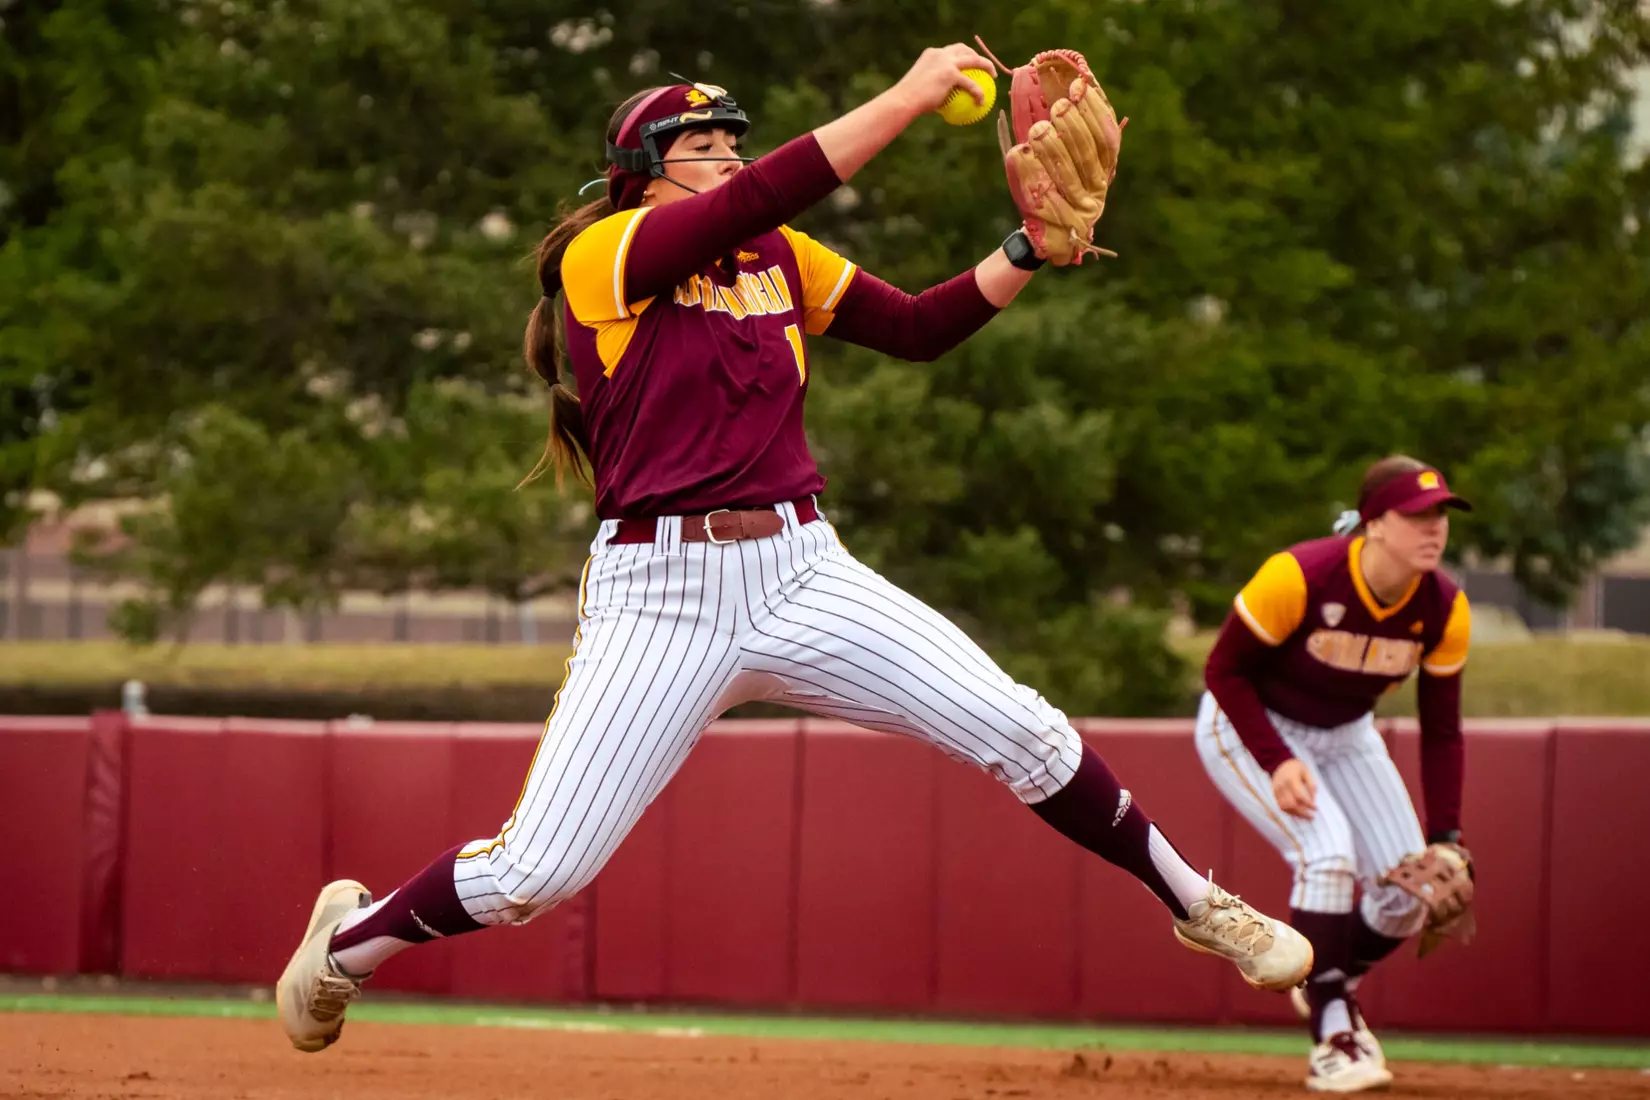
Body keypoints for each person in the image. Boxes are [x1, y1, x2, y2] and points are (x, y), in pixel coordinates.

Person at [278, 44, 1311, 1053]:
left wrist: (1028, 248)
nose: (727, 152)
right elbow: (760, 197)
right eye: (700, 141)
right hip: (660, 592)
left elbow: (914, 327)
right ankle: (349, 943)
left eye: (733, 136)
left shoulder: (773, 258)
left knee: (1025, 729)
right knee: (535, 873)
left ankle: (1199, 902)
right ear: (640, 170)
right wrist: (906, 97)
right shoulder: (607, 254)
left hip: (801, 567)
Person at [1196, 455, 1474, 1093]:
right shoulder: (1303, 574)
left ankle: (1328, 982)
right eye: (1417, 515)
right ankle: (1333, 1037)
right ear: (1375, 524)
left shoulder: (1444, 607)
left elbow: (1442, 730)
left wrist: (1449, 836)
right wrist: (1278, 760)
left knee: (1411, 887)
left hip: (1345, 734)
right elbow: (1223, 671)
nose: (1434, 528)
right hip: (1247, 724)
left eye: (1441, 515)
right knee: (1327, 855)